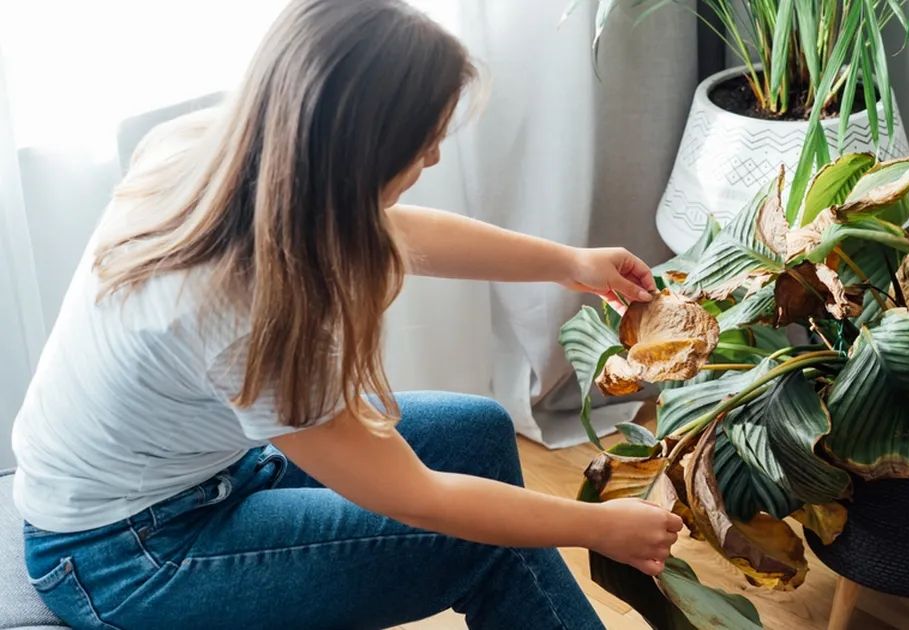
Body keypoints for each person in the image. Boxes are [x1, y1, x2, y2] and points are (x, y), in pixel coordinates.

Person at [13, 1, 683, 628]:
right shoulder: (252, 310)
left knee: (477, 429)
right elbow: (419, 498)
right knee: (483, 546)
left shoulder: (215, 149)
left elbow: (391, 227)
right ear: (356, 154)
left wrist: (568, 262)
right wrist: (596, 526)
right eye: (423, 141)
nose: (433, 157)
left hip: (203, 474)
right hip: (126, 554)